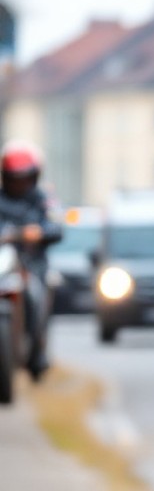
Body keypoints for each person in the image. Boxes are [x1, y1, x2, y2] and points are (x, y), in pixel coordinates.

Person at [0, 140, 59, 379]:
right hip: (3, 264)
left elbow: (56, 227)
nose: (19, 183)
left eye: (24, 178)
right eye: (14, 178)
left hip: (31, 263)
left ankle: (37, 353)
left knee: (36, 294)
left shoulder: (42, 199)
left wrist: (40, 232)